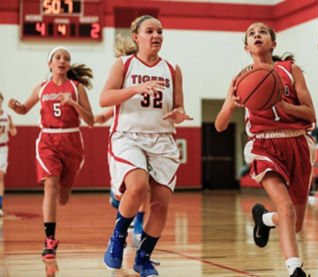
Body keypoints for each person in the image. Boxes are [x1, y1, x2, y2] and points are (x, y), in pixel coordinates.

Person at [215, 22, 316, 277]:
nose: (257, 34)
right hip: (264, 145)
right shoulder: (240, 80)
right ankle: (295, 269)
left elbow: (310, 113)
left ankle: (265, 219)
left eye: (262, 32)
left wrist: (284, 105)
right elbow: (220, 125)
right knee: (286, 205)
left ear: (273, 43)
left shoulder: (291, 70)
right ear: (246, 46)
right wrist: (231, 105)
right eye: (251, 33)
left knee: (295, 223)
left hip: (298, 142)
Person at [101, 15, 192, 276]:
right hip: (128, 136)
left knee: (161, 203)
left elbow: (178, 105)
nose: (156, 36)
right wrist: (135, 89)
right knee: (138, 187)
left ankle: (143, 259)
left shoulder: (173, 69)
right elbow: (105, 98)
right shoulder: (124, 64)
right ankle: (117, 239)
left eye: (160, 31)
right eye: (150, 31)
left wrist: (179, 114)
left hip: (162, 139)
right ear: (136, 37)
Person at [8, 46, 94, 259]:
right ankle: (50, 239)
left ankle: (60, 200)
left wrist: (73, 103)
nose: (62, 60)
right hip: (47, 140)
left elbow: (91, 120)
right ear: (50, 64)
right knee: (50, 184)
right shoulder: (42, 87)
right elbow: (24, 109)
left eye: (66, 58)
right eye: (58, 57)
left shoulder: (76, 87)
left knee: (63, 197)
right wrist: (15, 106)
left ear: (68, 65)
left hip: (72, 140)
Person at [94, 107, 147, 243]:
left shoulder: (151, 103)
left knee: (145, 186)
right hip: (122, 145)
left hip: (146, 144)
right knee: (122, 191)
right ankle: (116, 195)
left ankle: (139, 222)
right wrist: (91, 119)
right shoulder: (123, 99)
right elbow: (104, 116)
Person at [0, 92, 17, 216]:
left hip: (2, 148)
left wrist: (12, 130)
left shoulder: (7, 116)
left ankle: (0, 206)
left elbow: (13, 130)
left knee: (0, 176)